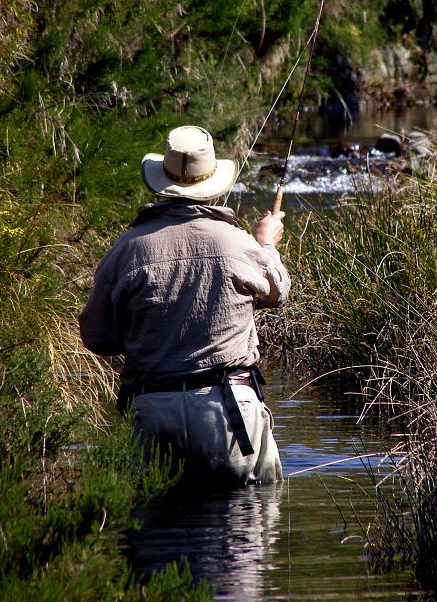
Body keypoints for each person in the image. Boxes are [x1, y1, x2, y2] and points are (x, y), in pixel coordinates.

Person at [79, 125, 290, 486]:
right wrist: (266, 244)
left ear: (162, 181)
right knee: (248, 525)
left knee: (153, 530)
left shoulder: (128, 247)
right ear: (212, 183)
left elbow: (97, 337)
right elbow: (278, 293)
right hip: (229, 413)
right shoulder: (239, 243)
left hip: (152, 413)